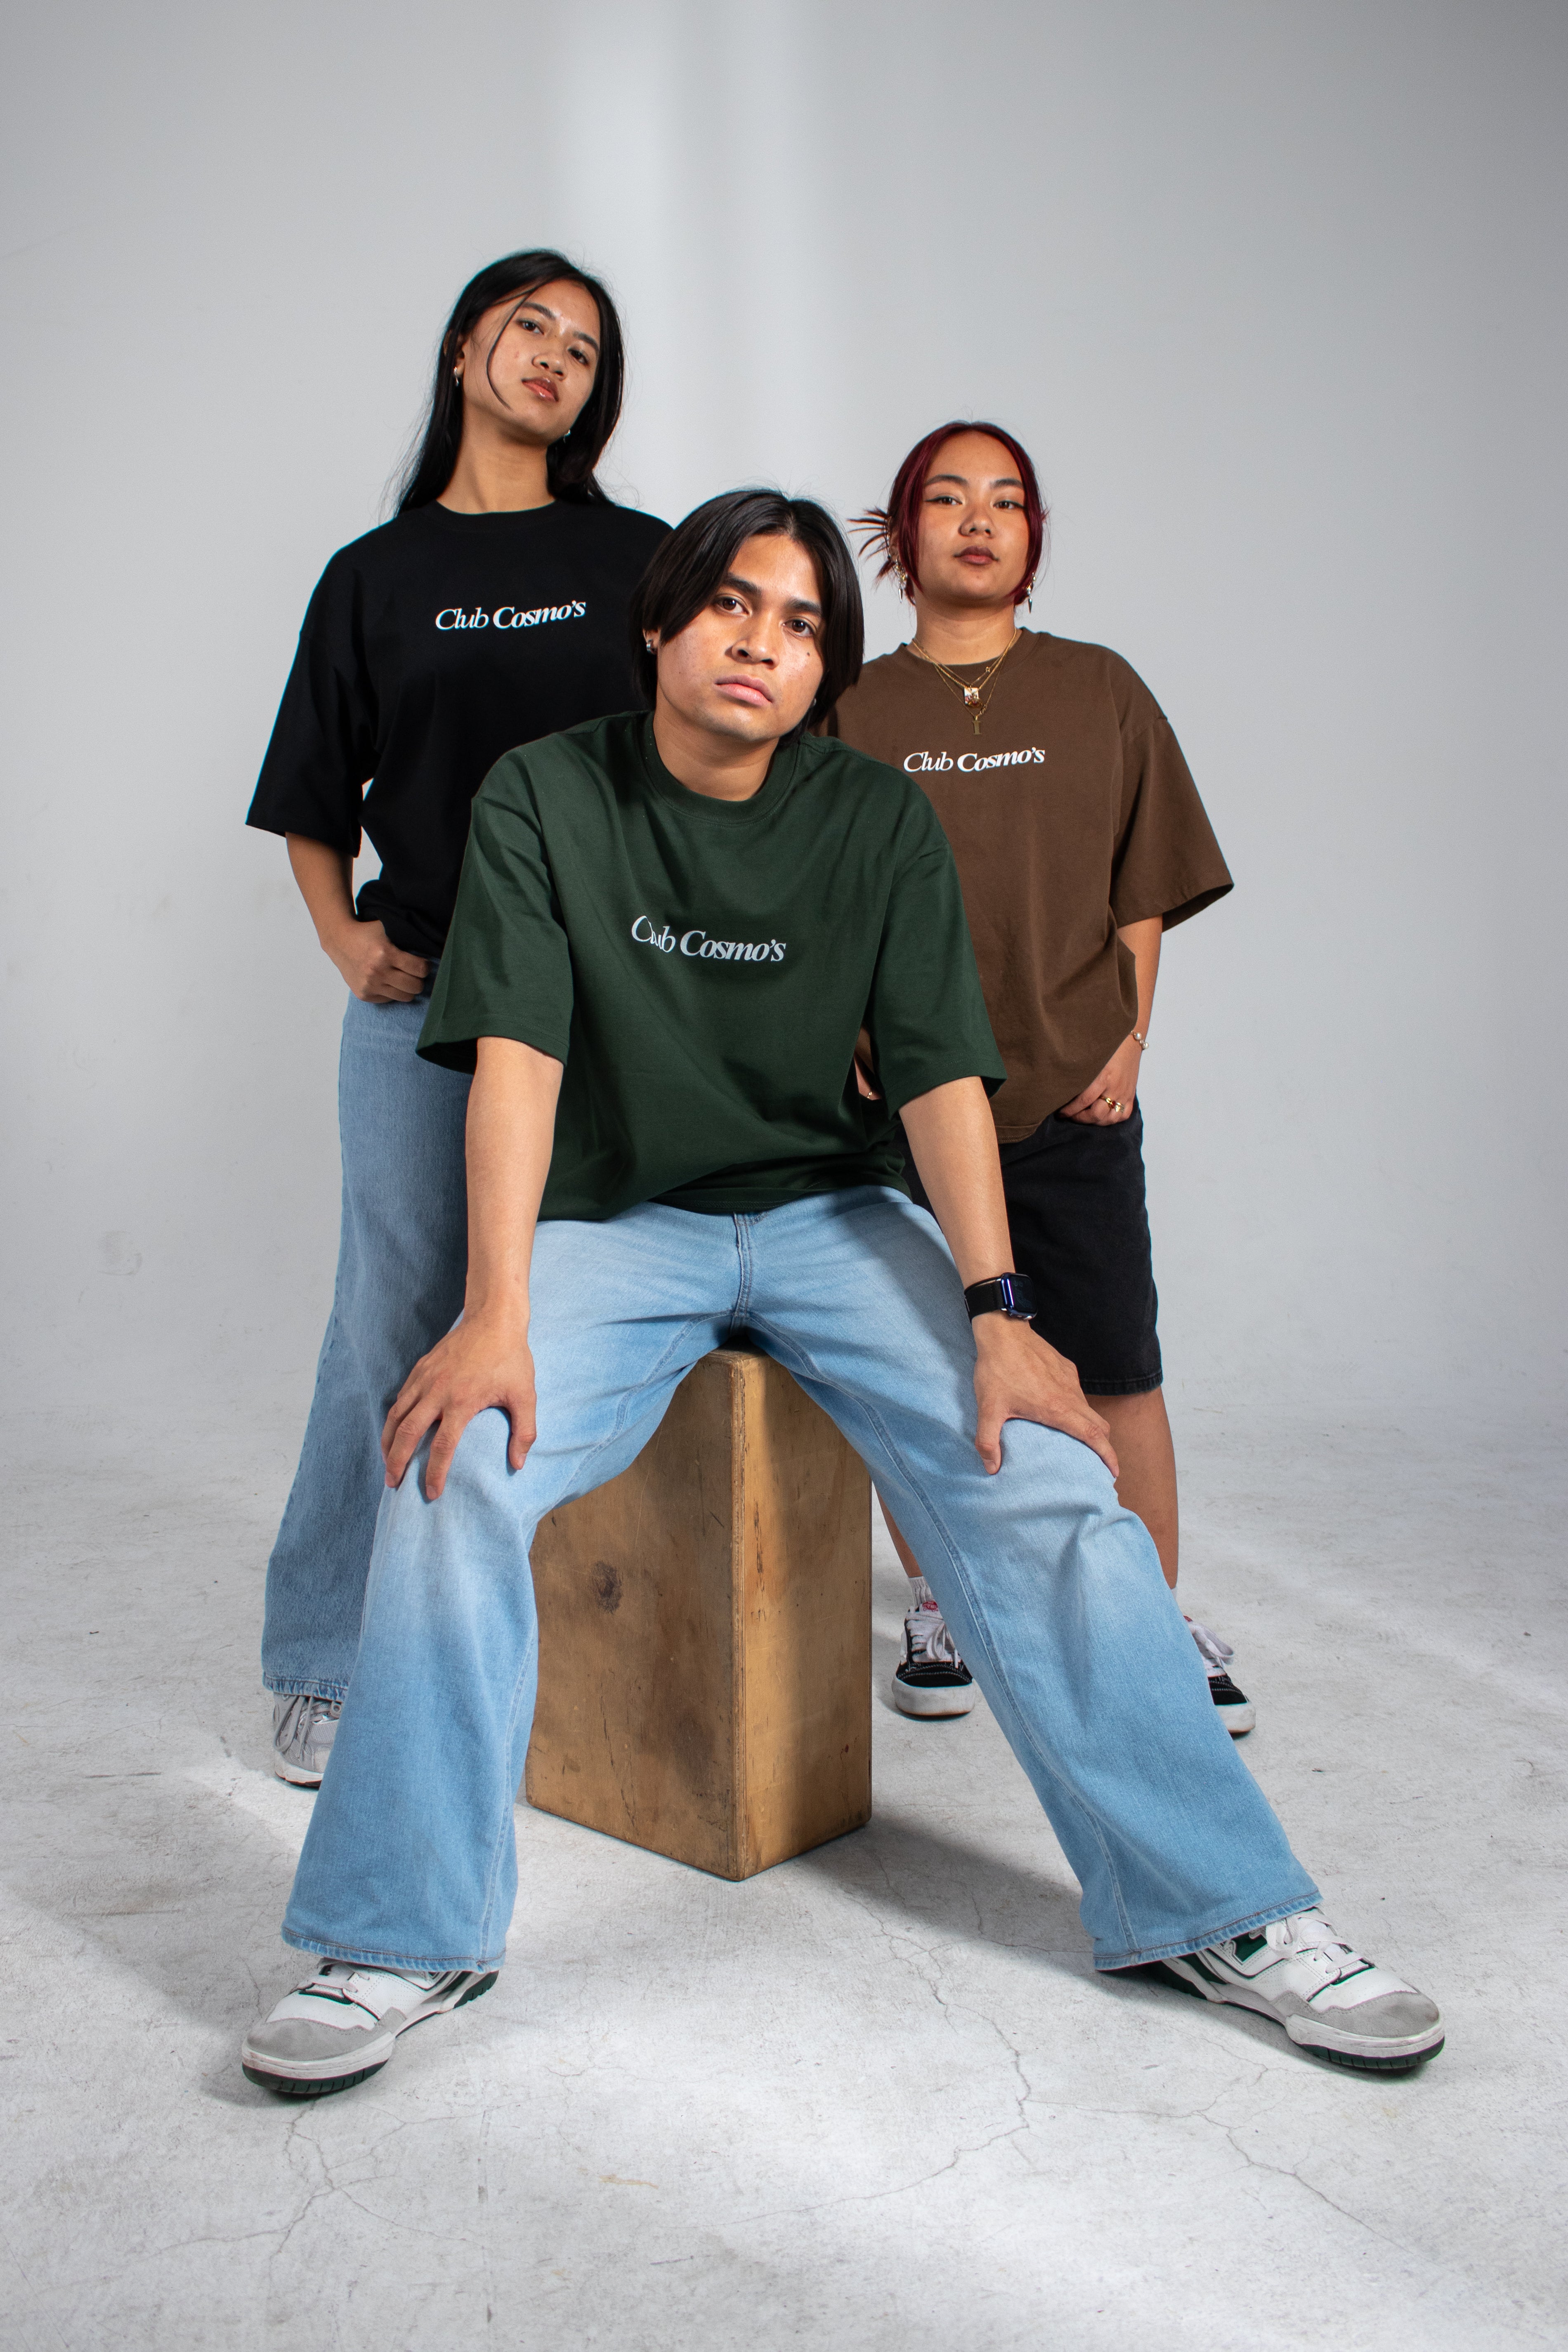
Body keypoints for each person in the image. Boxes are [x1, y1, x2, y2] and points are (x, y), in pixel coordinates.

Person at [239, 490, 1443, 2099]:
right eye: (735, 604)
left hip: (826, 1211)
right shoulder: (546, 798)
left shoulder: (873, 821)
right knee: (449, 1465)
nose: (765, 641)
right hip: (619, 1218)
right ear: (660, 622)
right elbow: (516, 1057)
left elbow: (941, 1074)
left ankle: (1219, 1910)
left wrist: (999, 1311)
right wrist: (496, 1307)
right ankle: (397, 1936)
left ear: (826, 670)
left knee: (1048, 1479)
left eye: (805, 623)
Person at [246, 250, 668, 1785]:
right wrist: (340, 934)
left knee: (613, 1309)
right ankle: (324, 1655)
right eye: (529, 326)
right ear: (465, 351)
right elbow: (310, 790)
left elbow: (719, 756)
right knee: (393, 1319)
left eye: (584, 346)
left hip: (625, 1002)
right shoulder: (374, 574)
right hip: (428, 1010)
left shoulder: (644, 556)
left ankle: (582, 1632)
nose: (556, 356)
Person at [830, 422, 1252, 1732]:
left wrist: (1128, 1039)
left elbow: (1146, 884)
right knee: (927, 1366)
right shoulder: (848, 707)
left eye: (1006, 501)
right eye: (947, 498)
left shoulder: (1100, 688)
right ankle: (946, 1602)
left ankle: (1151, 1616)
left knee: (1118, 1363)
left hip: (1072, 1092)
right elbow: (812, 895)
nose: (978, 518)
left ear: (1032, 540)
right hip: (904, 1109)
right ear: (902, 536)